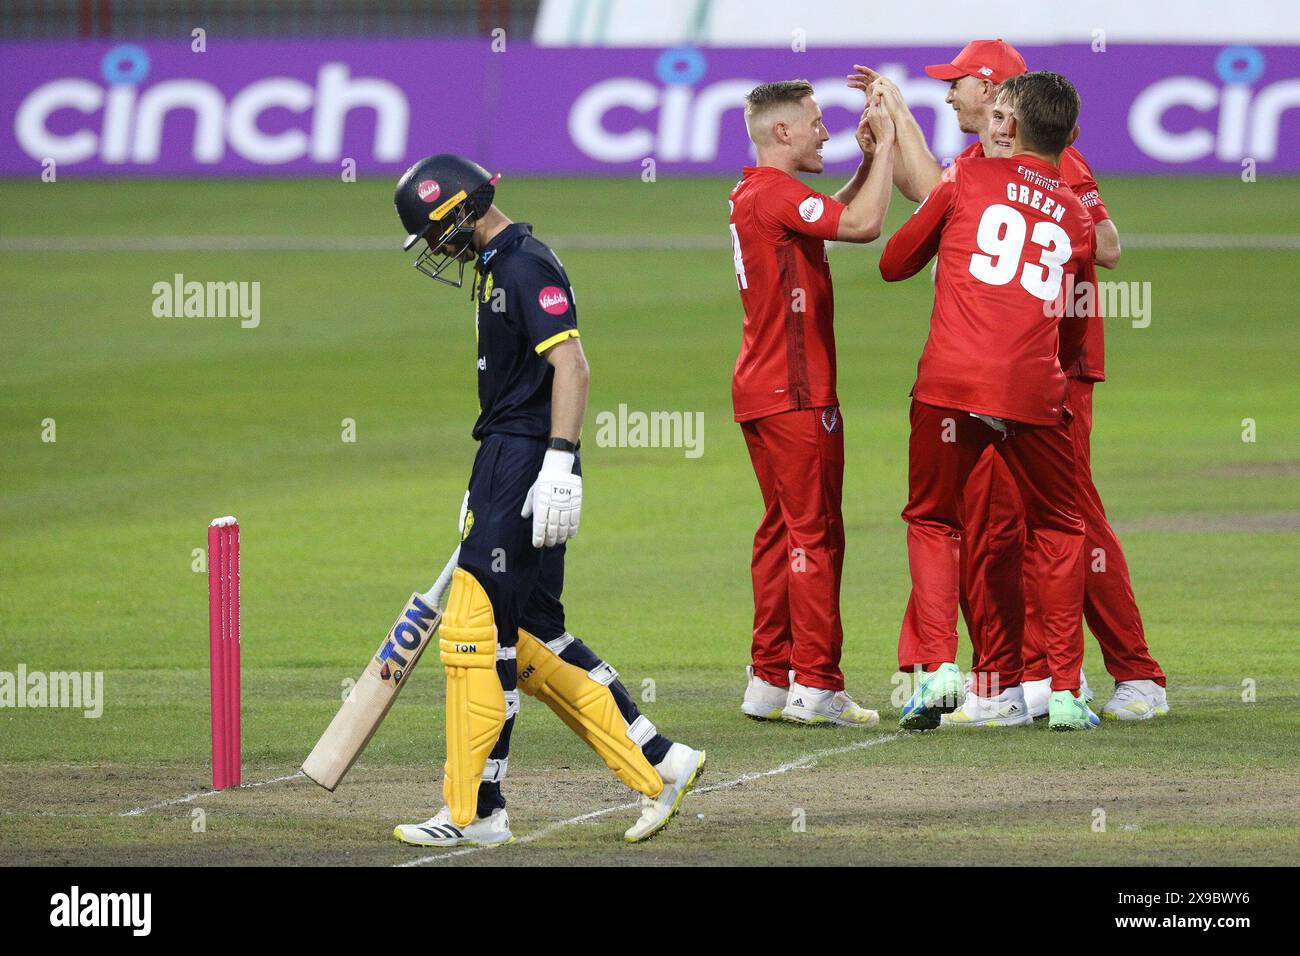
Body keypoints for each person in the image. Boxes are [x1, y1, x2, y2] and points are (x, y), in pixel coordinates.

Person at [388, 154, 705, 848]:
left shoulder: (523, 265)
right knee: (532, 636)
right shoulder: (502, 265)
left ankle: (474, 812)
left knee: (474, 638)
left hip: (524, 460)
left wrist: (557, 463)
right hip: (508, 463)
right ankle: (662, 763)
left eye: (437, 232)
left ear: (464, 211)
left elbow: (572, 365)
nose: (437, 249)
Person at [852, 41, 1167, 725]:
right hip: (1032, 373)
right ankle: (1033, 681)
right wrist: (897, 119)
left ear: (1002, 107)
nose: (951, 96)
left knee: (1028, 523)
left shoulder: (1047, 162)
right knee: (1022, 525)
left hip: (1031, 371)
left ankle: (1087, 677)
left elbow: (1101, 246)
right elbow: (940, 190)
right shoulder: (985, 167)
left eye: (959, 86)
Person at [878, 71, 1102, 732]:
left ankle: (941, 665)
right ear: (1069, 135)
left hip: (948, 383)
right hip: (1033, 388)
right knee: (1061, 527)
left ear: (1006, 125)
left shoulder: (964, 179)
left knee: (934, 518)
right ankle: (1063, 692)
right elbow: (1076, 322)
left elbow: (894, 263)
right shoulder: (1078, 214)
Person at [729, 80, 896, 726]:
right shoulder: (773, 193)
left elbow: (822, 219)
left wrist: (860, 168)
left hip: (759, 390)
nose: (826, 132)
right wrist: (883, 154)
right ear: (783, 133)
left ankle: (770, 678)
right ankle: (818, 684)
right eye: (817, 123)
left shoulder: (757, 192)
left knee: (780, 530)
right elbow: (863, 225)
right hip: (798, 394)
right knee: (816, 535)